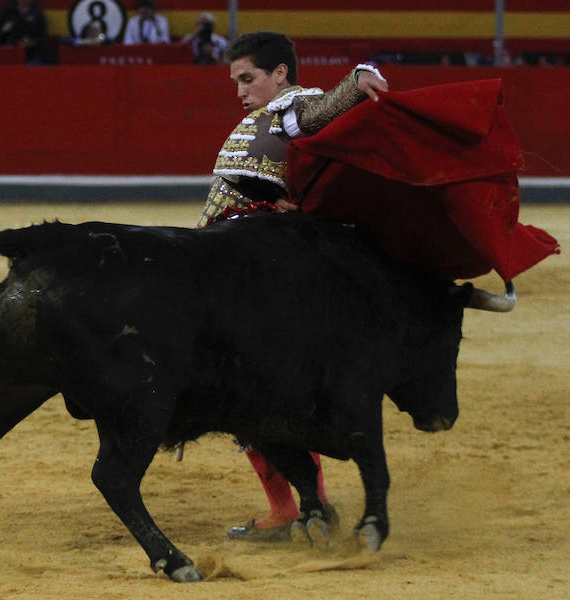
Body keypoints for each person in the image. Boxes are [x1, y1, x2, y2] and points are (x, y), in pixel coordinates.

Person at [197, 31, 387, 542]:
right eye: (236, 81)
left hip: (257, 274)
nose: (240, 91)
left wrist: (360, 77)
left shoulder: (292, 106)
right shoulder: (268, 112)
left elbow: (322, 112)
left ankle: (303, 506)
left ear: (280, 72)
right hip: (235, 263)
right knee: (238, 393)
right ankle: (291, 508)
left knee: (251, 391)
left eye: (248, 78)